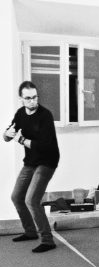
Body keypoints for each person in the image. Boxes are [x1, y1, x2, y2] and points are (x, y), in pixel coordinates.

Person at [3, 81, 59, 253]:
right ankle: (30, 231)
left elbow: (44, 146)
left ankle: (48, 240)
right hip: (31, 162)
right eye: (28, 98)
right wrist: (6, 134)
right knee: (16, 197)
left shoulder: (45, 116)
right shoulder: (20, 114)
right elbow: (9, 134)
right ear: (21, 99)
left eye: (35, 97)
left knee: (32, 200)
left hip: (47, 161)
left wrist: (21, 140)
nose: (32, 101)